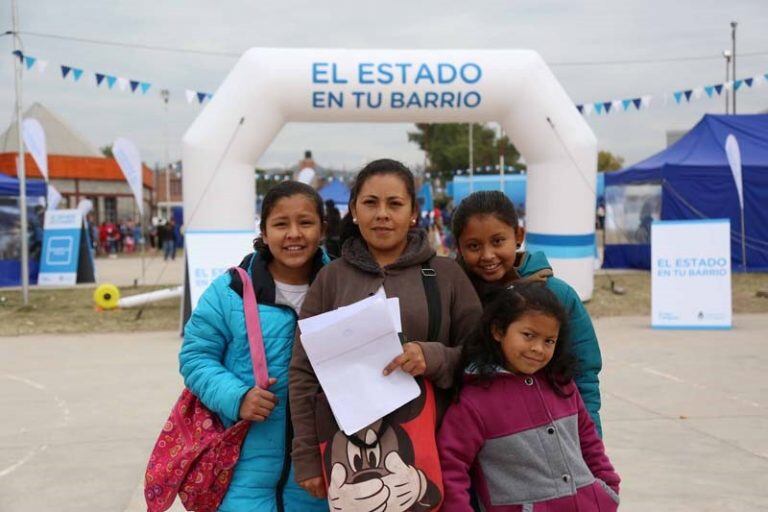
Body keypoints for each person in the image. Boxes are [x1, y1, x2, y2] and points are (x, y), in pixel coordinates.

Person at [290, 159, 482, 509]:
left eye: (394, 204)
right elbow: (304, 372)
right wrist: (305, 455)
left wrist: (435, 358)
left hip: (437, 451)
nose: (382, 214)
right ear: (353, 210)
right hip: (350, 462)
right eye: (370, 203)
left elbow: (482, 358)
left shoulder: (445, 275)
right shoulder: (331, 279)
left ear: (413, 212)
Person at [179, 181, 329, 512]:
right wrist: (237, 396)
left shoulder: (345, 286)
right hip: (241, 478)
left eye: (305, 222)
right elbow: (195, 356)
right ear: (263, 231)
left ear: (322, 229)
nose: (293, 234)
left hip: (322, 475)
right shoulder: (228, 291)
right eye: (280, 224)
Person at [438, 283, 620, 511]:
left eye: (549, 341)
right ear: (498, 331)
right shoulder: (474, 403)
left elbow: (589, 441)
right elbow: (451, 466)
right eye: (528, 335)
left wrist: (607, 489)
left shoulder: (561, 384)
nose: (538, 349)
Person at [451, 190, 604, 434]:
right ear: (457, 247)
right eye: (473, 246)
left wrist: (590, 441)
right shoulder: (452, 294)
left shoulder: (558, 295)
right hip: (479, 440)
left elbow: (584, 372)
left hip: (548, 438)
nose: (488, 255)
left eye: (498, 241)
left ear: (518, 235)